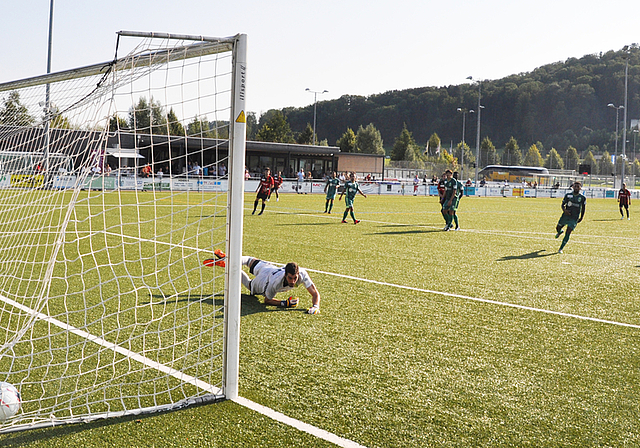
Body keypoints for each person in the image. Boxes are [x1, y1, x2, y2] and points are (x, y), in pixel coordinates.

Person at [209, 251, 321, 314]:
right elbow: (267, 300)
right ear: (285, 275)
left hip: (270, 268)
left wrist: (315, 306)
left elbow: (314, 292)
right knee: (249, 286)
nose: (293, 281)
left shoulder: (303, 274)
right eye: (290, 278)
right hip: (264, 280)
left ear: (298, 274)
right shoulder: (276, 282)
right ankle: (229, 264)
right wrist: (285, 303)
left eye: (295, 278)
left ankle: (227, 260)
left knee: (249, 260)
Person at [555, 181, 586, 254]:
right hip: (565, 216)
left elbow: (583, 208)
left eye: (578, 186)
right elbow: (562, 204)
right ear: (572, 187)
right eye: (575, 186)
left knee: (568, 231)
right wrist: (564, 210)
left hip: (574, 218)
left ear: (580, 188)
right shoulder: (568, 195)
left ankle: (561, 248)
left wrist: (581, 217)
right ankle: (559, 232)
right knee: (558, 228)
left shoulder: (582, 198)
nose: (576, 188)